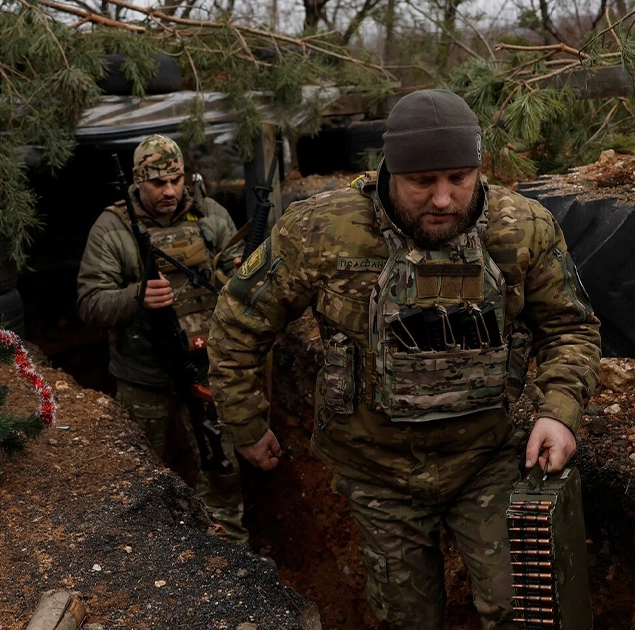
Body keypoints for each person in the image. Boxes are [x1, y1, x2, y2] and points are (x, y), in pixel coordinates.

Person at [207, 89, 601, 628]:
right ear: (389, 170)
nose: (443, 200)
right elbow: (237, 322)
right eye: (423, 182)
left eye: (459, 178)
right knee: (407, 618)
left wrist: (559, 409)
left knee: (520, 610)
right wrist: (245, 422)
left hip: (487, 460)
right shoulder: (319, 231)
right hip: (377, 473)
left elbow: (571, 326)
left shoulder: (523, 227)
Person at [77, 134, 247, 543]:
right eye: (158, 183)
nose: (170, 190)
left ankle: (230, 548)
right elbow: (89, 303)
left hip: (208, 368)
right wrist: (136, 297)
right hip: (144, 373)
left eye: (176, 179)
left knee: (222, 466)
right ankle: (155, 552)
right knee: (146, 471)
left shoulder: (211, 215)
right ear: (138, 182)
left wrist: (240, 271)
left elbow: (237, 275)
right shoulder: (113, 228)